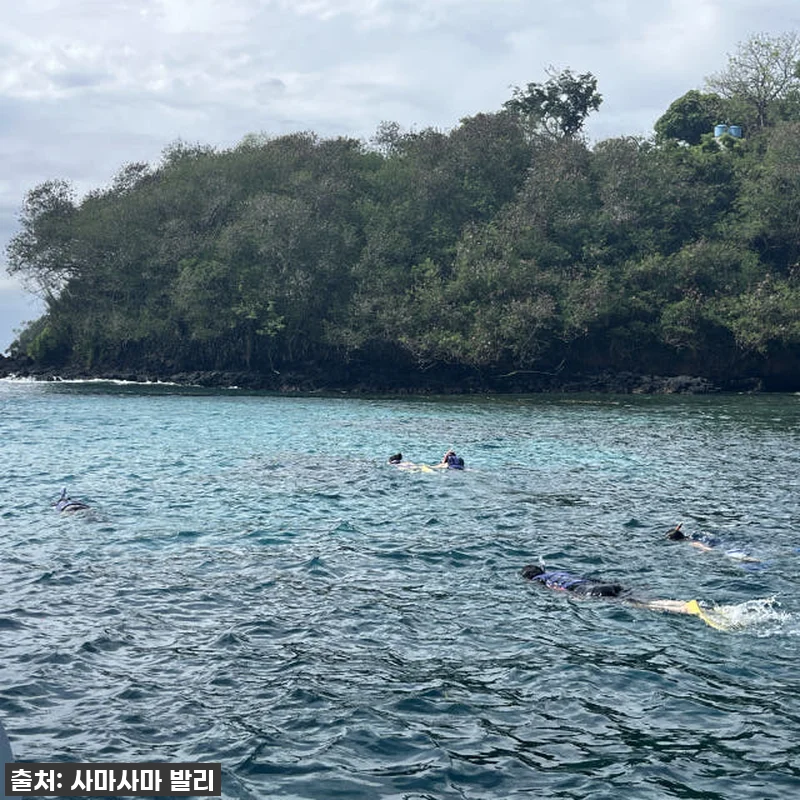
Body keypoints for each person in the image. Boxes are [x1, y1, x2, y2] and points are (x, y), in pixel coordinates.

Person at [521, 564, 625, 597]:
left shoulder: (538, 579)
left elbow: (554, 589)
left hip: (585, 590)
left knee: (619, 601)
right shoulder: (557, 573)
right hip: (594, 584)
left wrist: (573, 595)